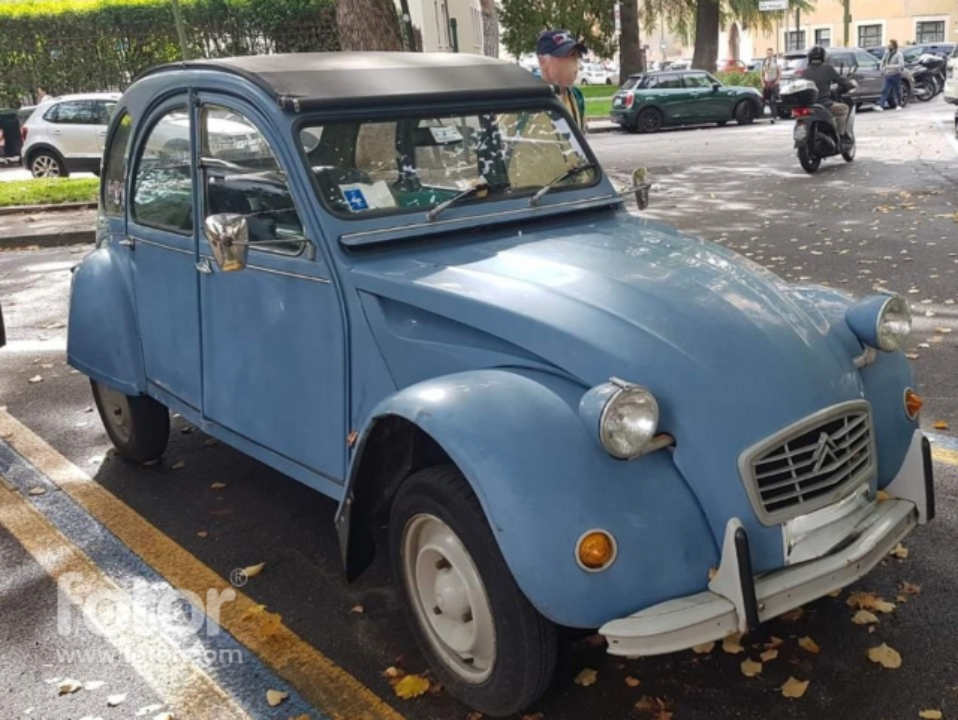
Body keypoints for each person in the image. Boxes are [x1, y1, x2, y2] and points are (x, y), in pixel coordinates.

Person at [536, 29, 587, 129]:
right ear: (543, 62)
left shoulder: (577, 97)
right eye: (568, 56)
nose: (575, 64)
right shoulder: (529, 98)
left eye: (576, 56)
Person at [802, 45, 856, 137]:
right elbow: (841, 80)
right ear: (823, 57)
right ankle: (840, 135)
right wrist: (850, 84)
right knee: (844, 109)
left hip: (807, 106)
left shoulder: (805, 71)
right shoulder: (827, 68)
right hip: (824, 104)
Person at [877, 40, 905, 111]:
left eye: (891, 45)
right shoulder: (887, 53)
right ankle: (881, 106)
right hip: (888, 74)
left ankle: (899, 104)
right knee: (884, 90)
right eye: (889, 45)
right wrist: (882, 69)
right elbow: (883, 61)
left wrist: (890, 66)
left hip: (896, 74)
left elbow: (901, 64)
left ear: (894, 46)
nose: (889, 46)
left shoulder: (899, 54)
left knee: (897, 90)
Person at [760, 48, 781, 123]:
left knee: (773, 100)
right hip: (766, 82)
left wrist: (777, 81)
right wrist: (762, 82)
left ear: (772, 54)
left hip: (773, 83)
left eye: (770, 53)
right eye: (768, 53)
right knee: (764, 99)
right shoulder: (764, 62)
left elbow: (779, 73)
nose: (769, 54)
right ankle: (761, 114)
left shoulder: (776, 62)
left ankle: (773, 116)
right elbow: (761, 74)